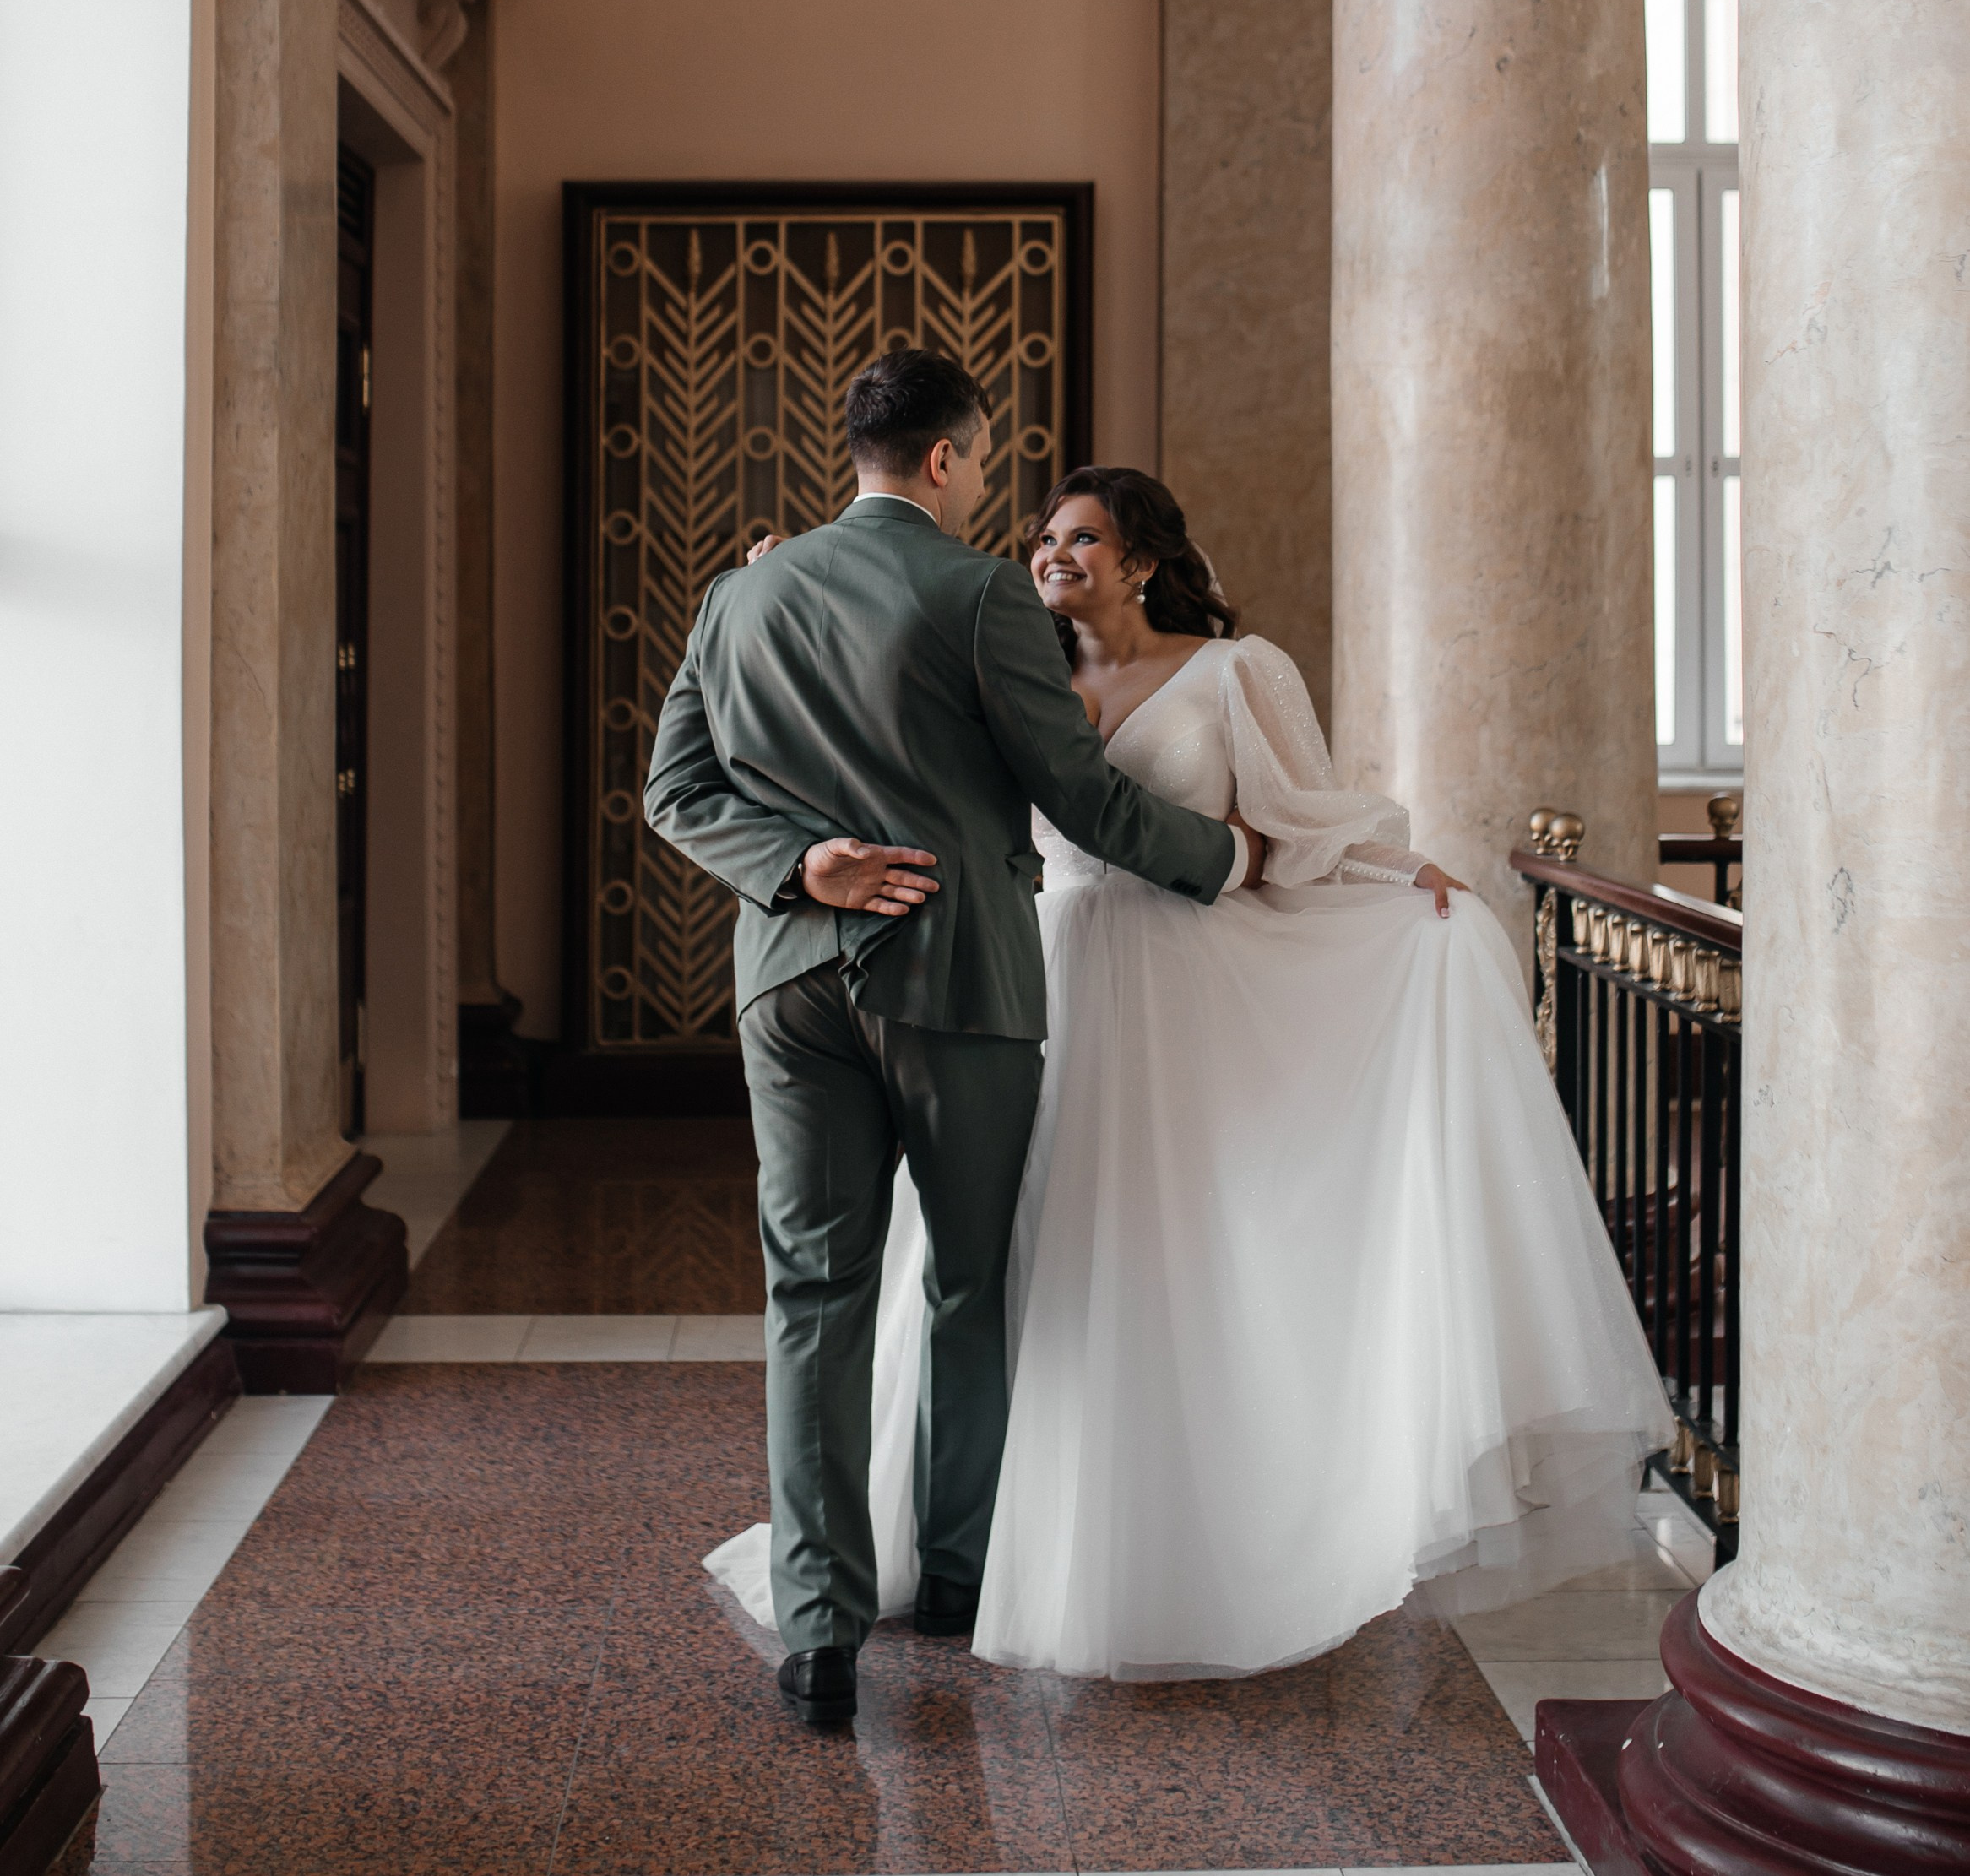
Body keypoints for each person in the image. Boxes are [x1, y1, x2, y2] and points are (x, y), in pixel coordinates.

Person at [707, 464, 1672, 1682]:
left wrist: (1393, 875)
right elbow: (874, 701)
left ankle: (1173, 1536)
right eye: (1044, 537)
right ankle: (968, 1542)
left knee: (1167, 1259)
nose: (1052, 555)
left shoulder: (1235, 672)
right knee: (1011, 1263)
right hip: (1032, 975)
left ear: (1144, 559)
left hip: (1183, 986)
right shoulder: (1014, 662)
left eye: (1083, 538)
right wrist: (777, 585)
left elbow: (1302, 819)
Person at [644, 363, 1262, 1728]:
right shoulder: (978, 591)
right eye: (981, 468)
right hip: (956, 978)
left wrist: (802, 864)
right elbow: (1080, 794)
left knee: (811, 1295)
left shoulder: (736, 595)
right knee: (971, 1284)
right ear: (941, 461)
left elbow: (672, 793)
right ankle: (963, 1577)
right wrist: (1231, 858)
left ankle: (819, 1633)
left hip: (785, 989)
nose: (986, 490)